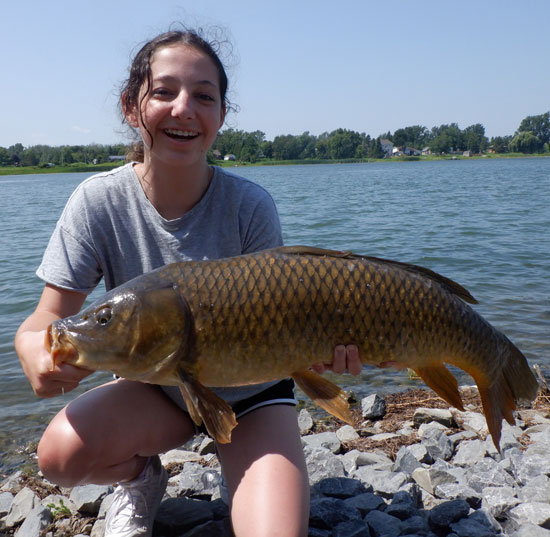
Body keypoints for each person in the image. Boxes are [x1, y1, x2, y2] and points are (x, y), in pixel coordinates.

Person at [14, 28, 362, 537]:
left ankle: (241, 470)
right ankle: (140, 477)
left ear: (222, 115)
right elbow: (50, 314)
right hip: (158, 388)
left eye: (204, 96)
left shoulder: (250, 206)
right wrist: (32, 345)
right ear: (132, 107)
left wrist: (328, 352)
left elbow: (290, 317)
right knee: (58, 458)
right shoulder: (97, 201)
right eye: (163, 91)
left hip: (254, 396)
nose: (184, 108)